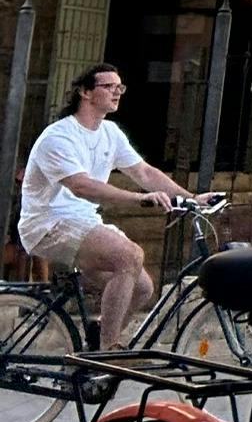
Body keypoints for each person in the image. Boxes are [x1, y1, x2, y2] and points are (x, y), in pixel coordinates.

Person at [18, 63, 187, 345]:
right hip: (48, 223)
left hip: (84, 222)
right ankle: (109, 350)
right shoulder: (59, 136)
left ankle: (94, 343)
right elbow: (81, 186)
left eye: (119, 87)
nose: (116, 92)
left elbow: (144, 172)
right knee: (129, 256)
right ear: (85, 92)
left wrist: (191, 198)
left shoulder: (110, 132)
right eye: (108, 86)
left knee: (142, 289)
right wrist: (138, 198)